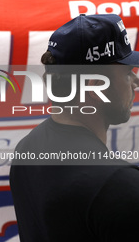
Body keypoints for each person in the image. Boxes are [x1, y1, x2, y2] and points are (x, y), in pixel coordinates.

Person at [9, 14, 139, 242]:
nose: (135, 82)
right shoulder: (118, 187)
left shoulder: (27, 148)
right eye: (127, 72)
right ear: (96, 87)